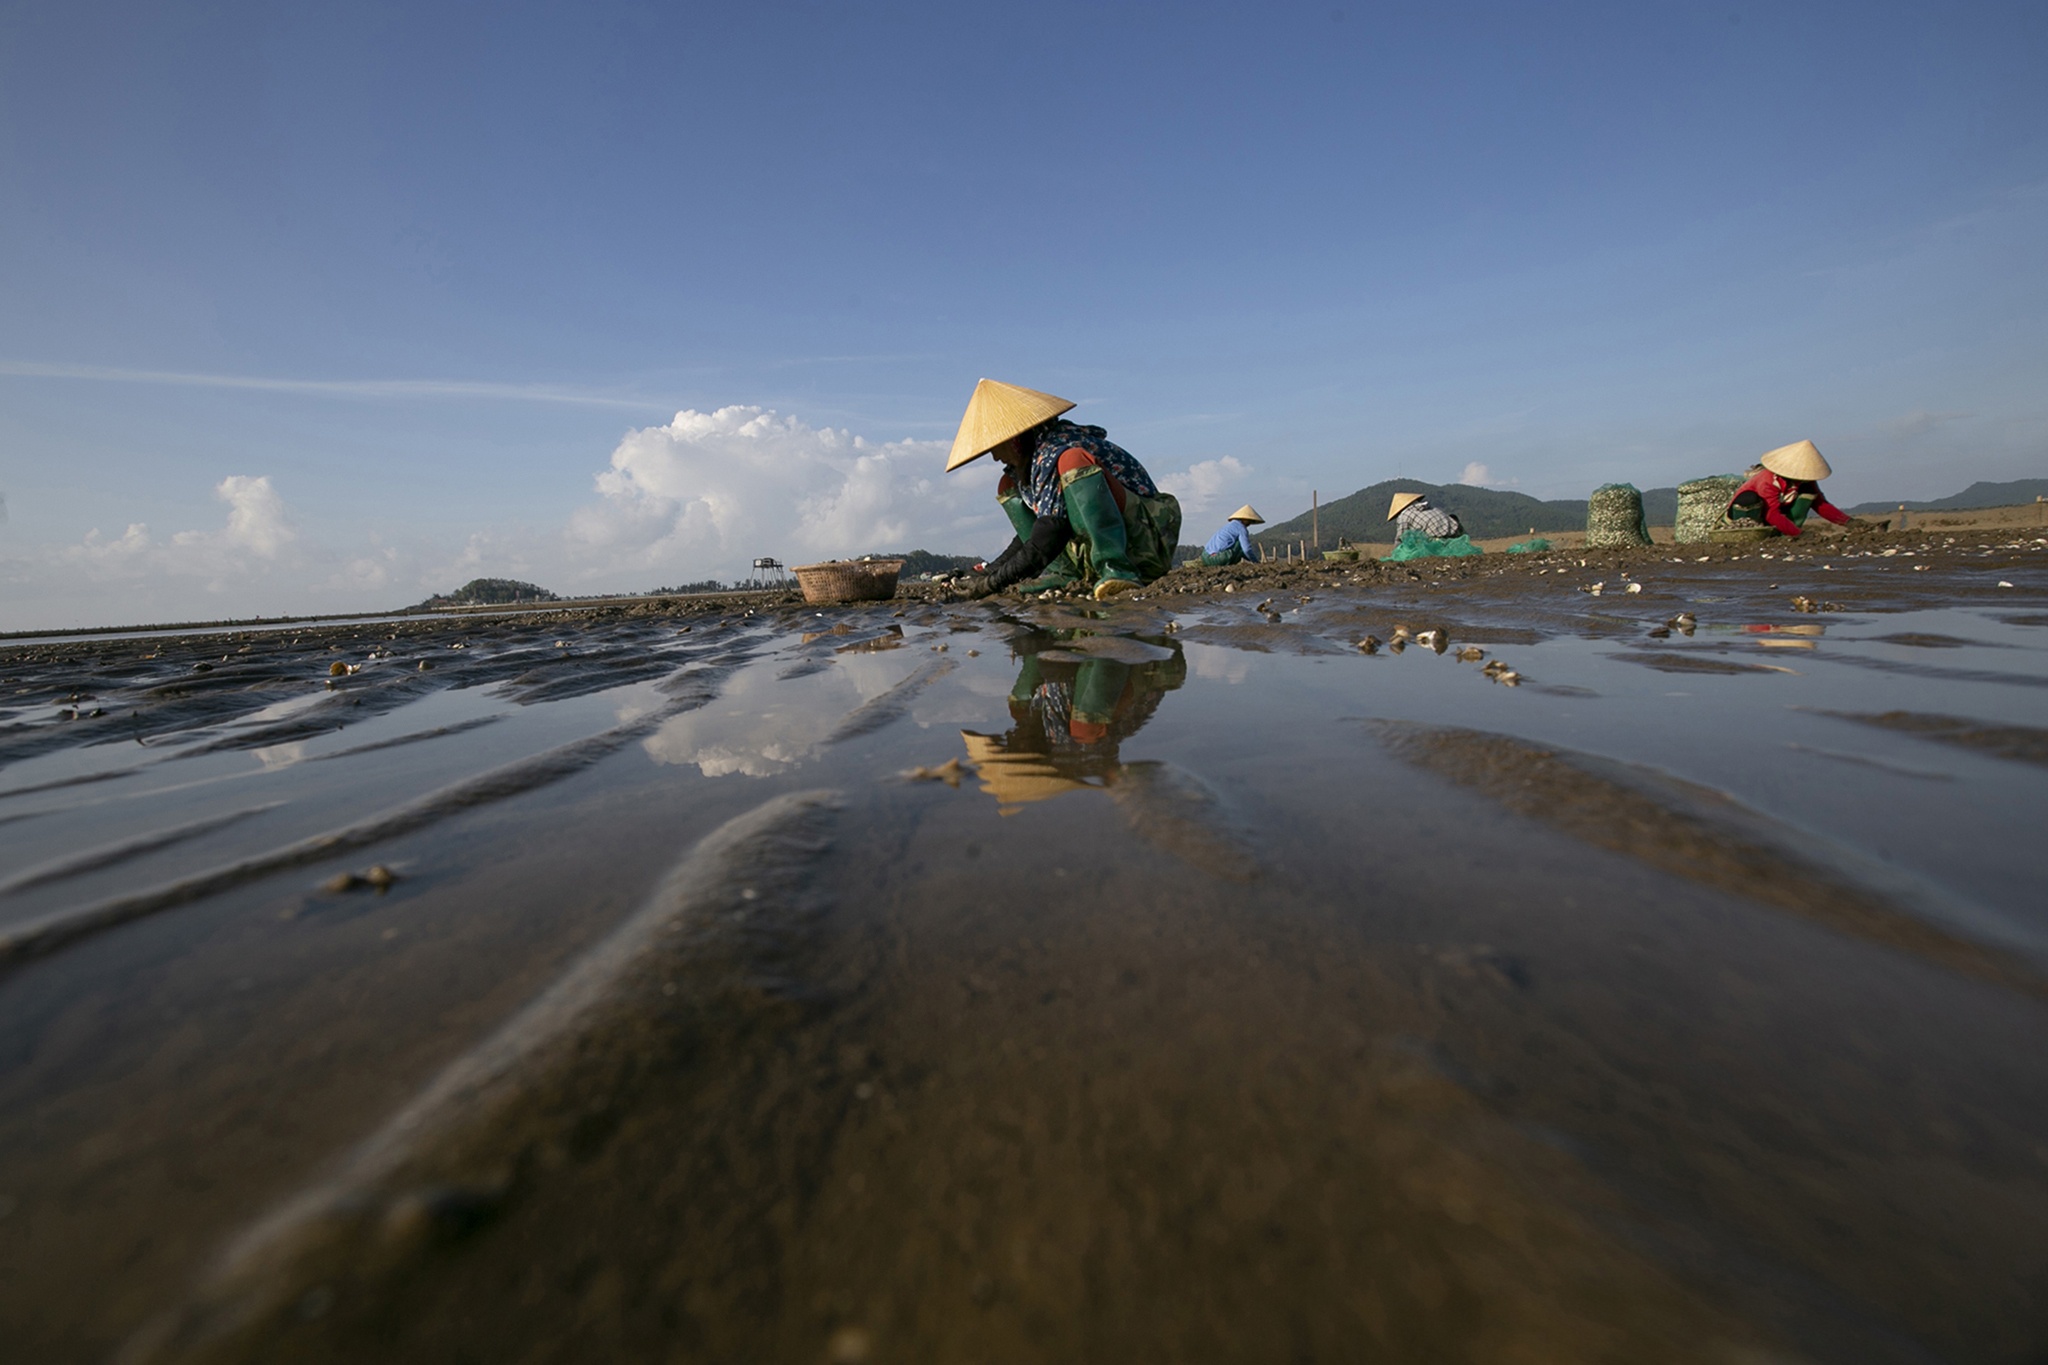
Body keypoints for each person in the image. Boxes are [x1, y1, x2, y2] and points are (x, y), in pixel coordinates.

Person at [947, 379, 1182, 601]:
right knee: (1007, 485)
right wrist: (990, 574)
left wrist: (992, 584)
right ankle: (1067, 574)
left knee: (1073, 461)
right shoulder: (1032, 469)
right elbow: (1033, 534)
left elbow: (1051, 531)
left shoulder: (1057, 451)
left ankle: (1117, 568)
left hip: (1147, 538)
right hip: (1081, 544)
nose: (995, 457)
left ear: (1015, 441)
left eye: (996, 448)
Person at [1725, 439, 1850, 537]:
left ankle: (1788, 532)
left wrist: (1848, 522)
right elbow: (1771, 513)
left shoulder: (1805, 482)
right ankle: (1755, 533)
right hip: (1750, 514)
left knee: (1808, 494)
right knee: (1749, 498)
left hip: (1776, 514)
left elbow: (1820, 505)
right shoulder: (1768, 480)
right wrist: (1800, 535)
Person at [1200, 505, 1265, 566]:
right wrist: (1256, 562)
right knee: (1240, 544)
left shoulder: (1228, 526)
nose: (1250, 524)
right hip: (1216, 559)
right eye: (1250, 521)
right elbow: (1246, 550)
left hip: (1205, 557)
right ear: (1244, 519)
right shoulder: (1241, 528)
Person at [1387, 491, 1463, 541]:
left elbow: (1400, 538)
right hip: (1457, 530)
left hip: (1437, 539)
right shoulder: (1430, 507)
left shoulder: (1404, 515)